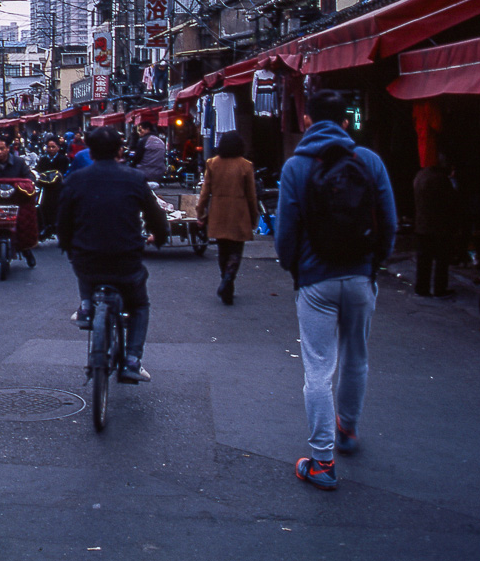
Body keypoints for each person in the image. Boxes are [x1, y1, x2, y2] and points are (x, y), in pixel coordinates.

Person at [275, 90, 396, 491]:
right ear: (346, 122)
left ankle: (322, 460)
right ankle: (348, 430)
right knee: (356, 357)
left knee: (318, 369)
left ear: (307, 121)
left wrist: (294, 266)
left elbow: (286, 231)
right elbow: (390, 223)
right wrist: (374, 265)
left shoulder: (295, 166)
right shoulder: (371, 161)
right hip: (361, 276)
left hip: (315, 279)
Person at [57, 127, 169, 382]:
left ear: (90, 152)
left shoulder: (76, 179)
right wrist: (159, 238)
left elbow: (63, 220)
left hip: (87, 258)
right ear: (120, 150)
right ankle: (132, 359)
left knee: (82, 263)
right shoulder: (134, 178)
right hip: (125, 259)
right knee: (139, 304)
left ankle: (86, 305)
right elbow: (155, 216)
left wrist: (66, 244)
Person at [197, 131, 259, 305]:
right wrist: (254, 216)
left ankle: (225, 280)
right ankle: (229, 279)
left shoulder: (212, 163)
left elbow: (205, 192)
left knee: (222, 249)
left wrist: (200, 212)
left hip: (218, 211)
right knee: (236, 249)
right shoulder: (246, 165)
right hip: (239, 212)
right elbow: (251, 196)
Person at [0, 136, 37, 267]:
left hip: (16, 201)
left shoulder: (19, 162)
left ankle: (27, 250)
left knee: (24, 224)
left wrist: (24, 185)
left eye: (2, 149)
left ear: (7, 149)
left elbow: (29, 177)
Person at [412, 158, 461, 298]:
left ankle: (422, 288)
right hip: (439, 225)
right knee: (441, 259)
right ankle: (439, 288)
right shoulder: (440, 179)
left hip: (422, 224)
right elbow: (451, 200)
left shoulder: (420, 176)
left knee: (423, 259)